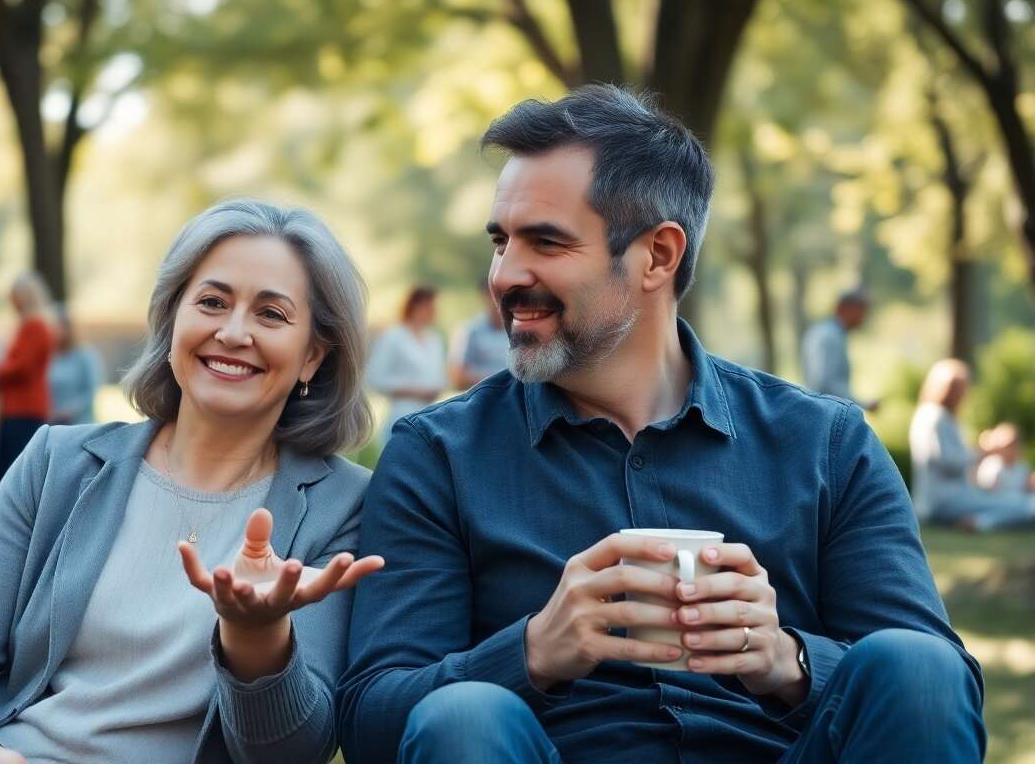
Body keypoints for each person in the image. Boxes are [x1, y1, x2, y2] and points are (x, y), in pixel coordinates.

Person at [338, 85, 984, 763]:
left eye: (546, 243)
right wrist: (531, 652)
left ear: (658, 256)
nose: (504, 276)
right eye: (501, 242)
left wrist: (786, 659)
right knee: (463, 715)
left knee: (917, 666)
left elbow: (939, 696)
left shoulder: (827, 445)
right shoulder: (437, 455)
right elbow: (372, 721)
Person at [0, 200, 384, 764]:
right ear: (173, 317)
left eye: (271, 314)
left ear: (313, 356)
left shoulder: (342, 507)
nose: (233, 333)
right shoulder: (58, 462)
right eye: (211, 302)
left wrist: (256, 635)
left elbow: (293, 753)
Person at [909, 359, 1035, 531]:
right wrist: (983, 452)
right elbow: (947, 462)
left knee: (1015, 503)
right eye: (958, 389)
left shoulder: (942, 417)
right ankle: (983, 522)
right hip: (942, 500)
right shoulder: (935, 417)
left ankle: (981, 521)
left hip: (950, 497)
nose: (962, 396)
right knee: (1020, 505)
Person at [0, 272, 56, 504]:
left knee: (7, 470)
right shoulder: (33, 325)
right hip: (18, 408)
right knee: (3, 467)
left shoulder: (34, 327)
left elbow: (22, 367)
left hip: (23, 409)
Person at [366, 286, 446, 443]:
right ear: (415, 306)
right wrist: (415, 390)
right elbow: (375, 378)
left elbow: (439, 374)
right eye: (428, 306)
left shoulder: (433, 339)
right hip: (402, 413)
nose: (432, 311)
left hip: (430, 415)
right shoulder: (394, 336)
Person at [800, 289, 877, 411]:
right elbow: (824, 384)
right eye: (862, 310)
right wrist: (862, 404)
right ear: (848, 309)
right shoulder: (829, 336)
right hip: (824, 413)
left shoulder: (827, 332)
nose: (864, 317)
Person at [47, 307, 103, 425]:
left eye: (58, 327)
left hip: (80, 423)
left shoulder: (85, 355)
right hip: (52, 424)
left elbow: (92, 390)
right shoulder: (48, 356)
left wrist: (70, 410)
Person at [449, 286, 509, 390]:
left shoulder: (519, 331)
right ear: (485, 296)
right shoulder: (470, 331)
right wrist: (497, 381)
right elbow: (457, 375)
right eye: (495, 295)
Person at [976, 423, 1034, 495]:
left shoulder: (1023, 467)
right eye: (1009, 445)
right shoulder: (990, 465)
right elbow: (987, 493)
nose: (1013, 449)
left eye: (1015, 444)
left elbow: (1029, 489)